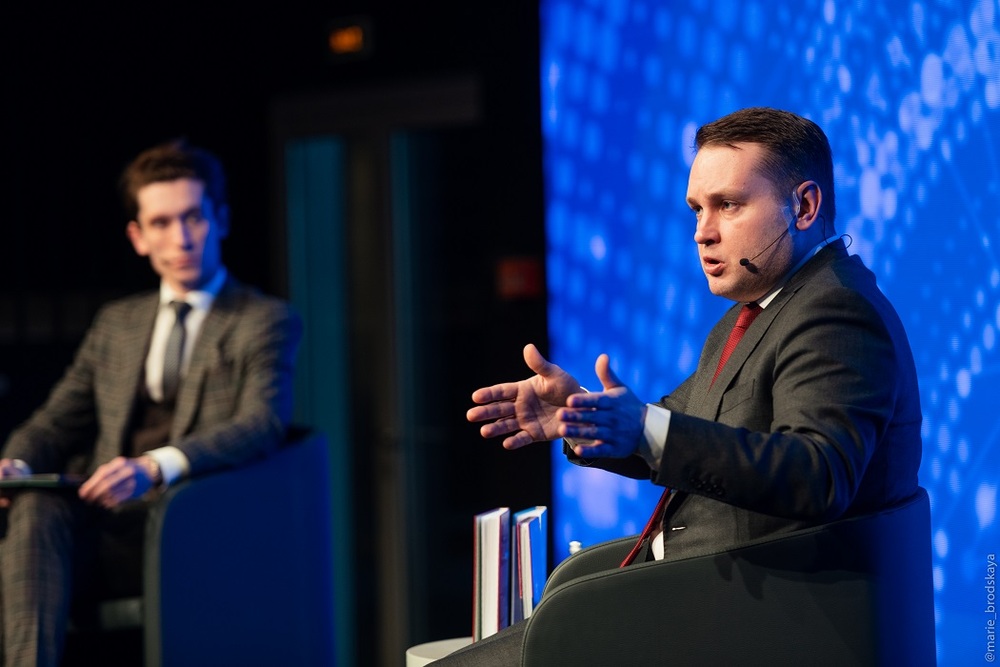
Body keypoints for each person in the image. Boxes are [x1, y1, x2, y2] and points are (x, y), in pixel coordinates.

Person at [444, 107, 922, 665]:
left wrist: (644, 428)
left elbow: (817, 475)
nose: (703, 232)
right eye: (697, 209)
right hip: (693, 599)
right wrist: (584, 418)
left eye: (729, 204)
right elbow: (677, 424)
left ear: (804, 206)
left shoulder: (835, 312)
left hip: (755, 621)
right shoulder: (753, 315)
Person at [0, 140, 302, 666]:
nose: (180, 239)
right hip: (105, 528)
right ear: (138, 237)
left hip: (195, 524)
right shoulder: (117, 324)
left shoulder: (262, 319)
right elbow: (54, 421)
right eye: (161, 223)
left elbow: (261, 422)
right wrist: (16, 464)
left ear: (221, 220)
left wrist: (153, 467)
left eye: (193, 218)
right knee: (33, 507)